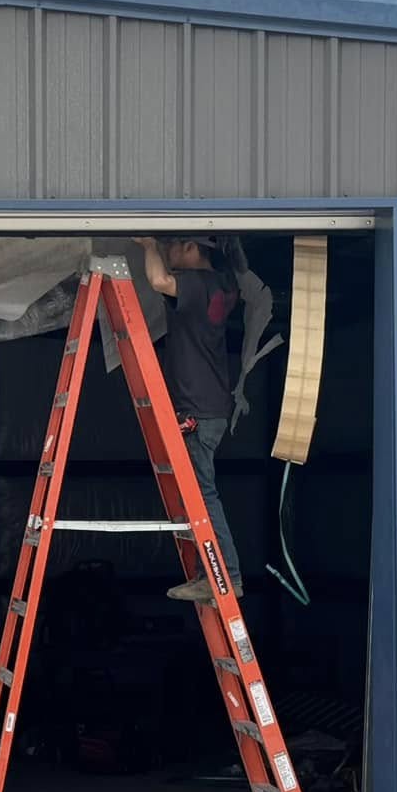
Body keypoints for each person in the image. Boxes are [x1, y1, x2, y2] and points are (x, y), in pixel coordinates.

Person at [136, 234, 244, 603]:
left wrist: (149, 245)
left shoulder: (198, 284)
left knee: (203, 495)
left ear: (194, 249)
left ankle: (224, 575)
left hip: (197, 408)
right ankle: (211, 573)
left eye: (174, 245)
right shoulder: (221, 284)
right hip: (208, 406)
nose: (168, 251)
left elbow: (158, 281)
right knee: (200, 494)